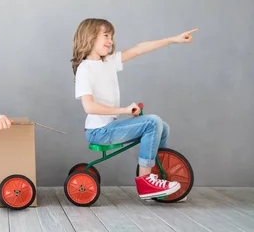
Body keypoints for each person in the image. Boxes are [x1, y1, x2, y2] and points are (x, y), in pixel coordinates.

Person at [71, 18, 197, 199]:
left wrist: (173, 40)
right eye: (106, 35)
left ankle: (158, 177)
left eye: (112, 36)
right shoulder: (85, 69)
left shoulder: (108, 62)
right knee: (152, 122)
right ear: (89, 37)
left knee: (163, 126)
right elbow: (89, 106)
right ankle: (146, 181)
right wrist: (123, 110)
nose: (111, 41)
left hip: (108, 128)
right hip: (99, 131)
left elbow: (139, 49)